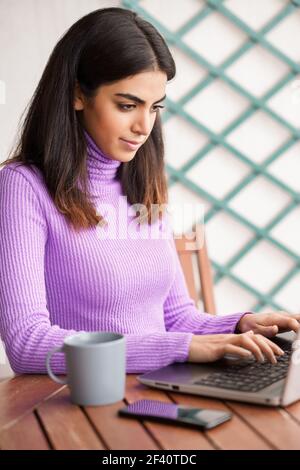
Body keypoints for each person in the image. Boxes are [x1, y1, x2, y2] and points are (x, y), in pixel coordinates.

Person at [0, 7, 299, 375]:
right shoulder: (23, 187)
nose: (144, 126)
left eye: (154, 107)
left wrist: (237, 325)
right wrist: (179, 347)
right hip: (79, 406)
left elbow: (175, 317)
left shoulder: (140, 183)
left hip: (155, 392)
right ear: (78, 95)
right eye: (127, 105)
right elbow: (28, 343)